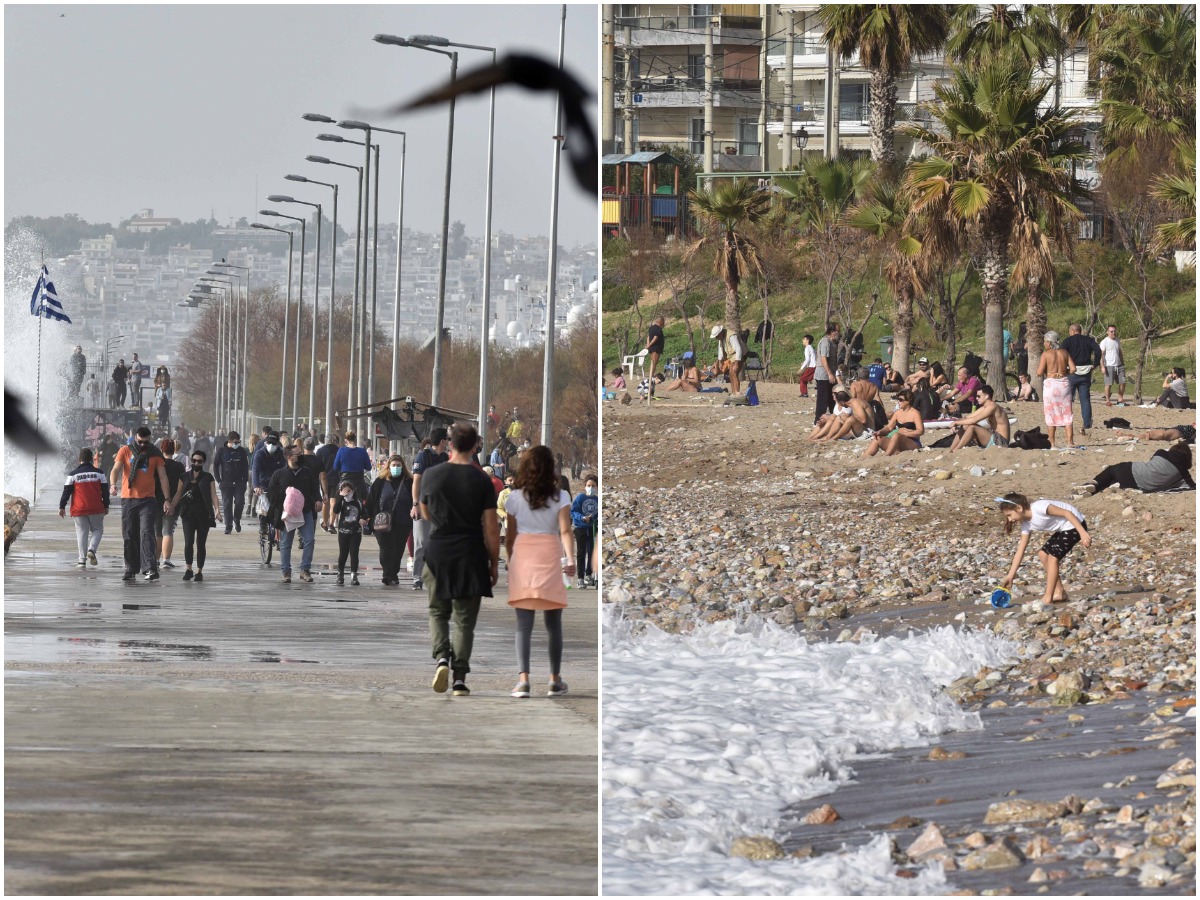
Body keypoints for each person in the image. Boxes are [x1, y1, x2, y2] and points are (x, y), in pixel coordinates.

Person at [420, 423, 500, 697]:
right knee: (465, 621)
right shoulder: (482, 480)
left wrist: (442, 525)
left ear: (450, 444)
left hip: (439, 550)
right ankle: (459, 679)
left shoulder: (432, 475)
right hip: (471, 551)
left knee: (438, 611)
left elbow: (424, 509)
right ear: (475, 446)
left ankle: (442, 656)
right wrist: (493, 562)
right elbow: (491, 528)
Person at [505, 445, 576, 699]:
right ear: (551, 469)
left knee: (523, 625)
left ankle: (523, 680)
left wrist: (510, 561)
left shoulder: (514, 498)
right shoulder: (561, 497)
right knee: (553, 623)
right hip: (550, 554)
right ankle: (554, 679)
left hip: (523, 555)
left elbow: (510, 536)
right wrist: (570, 558)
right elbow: (566, 531)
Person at [997, 492, 1091, 605]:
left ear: (1019, 508)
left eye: (1009, 515)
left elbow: (1067, 513)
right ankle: (1060, 592)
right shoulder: (1026, 524)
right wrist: (1010, 576)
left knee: (1053, 558)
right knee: (1042, 554)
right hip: (1063, 529)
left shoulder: (1039, 507)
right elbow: (1020, 550)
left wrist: (1083, 533)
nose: (1010, 520)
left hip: (1075, 524)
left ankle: (1048, 597)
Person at [109, 426, 173, 582]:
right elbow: (115, 470)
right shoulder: (125, 450)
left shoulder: (155, 454)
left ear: (150, 439)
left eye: (146, 442)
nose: (143, 445)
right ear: (135, 438)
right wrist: (112, 484)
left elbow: (163, 477)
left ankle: (150, 568)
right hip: (128, 499)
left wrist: (167, 499)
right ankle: (130, 568)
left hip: (147, 500)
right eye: (140, 442)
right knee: (129, 534)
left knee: (147, 533)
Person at [267, 445, 322, 584]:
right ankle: (286, 571)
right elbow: (271, 493)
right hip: (288, 514)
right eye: (298, 454)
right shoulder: (279, 474)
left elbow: (315, 488)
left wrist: (318, 500)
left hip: (306, 511)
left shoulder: (307, 472)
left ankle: (305, 569)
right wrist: (285, 499)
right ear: (289, 457)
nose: (301, 456)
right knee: (286, 543)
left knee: (309, 540)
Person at [171, 449, 222, 582]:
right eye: (194, 461)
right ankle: (188, 569)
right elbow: (178, 494)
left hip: (204, 514)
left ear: (203, 462)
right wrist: (171, 506)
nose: (196, 463)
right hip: (187, 514)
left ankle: (199, 571)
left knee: (201, 543)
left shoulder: (208, 477)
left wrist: (217, 510)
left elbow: (213, 495)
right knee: (188, 542)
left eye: (199, 461)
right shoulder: (184, 476)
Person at [410, 427, 450, 591]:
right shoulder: (423, 456)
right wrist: (415, 504)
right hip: (423, 504)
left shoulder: (445, 457)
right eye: (447, 440)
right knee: (421, 542)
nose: (448, 443)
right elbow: (416, 481)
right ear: (442, 441)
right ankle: (418, 577)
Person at [367, 454, 415, 587]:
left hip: (402, 521)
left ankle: (393, 574)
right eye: (394, 465)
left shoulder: (409, 482)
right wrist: (367, 517)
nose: (396, 468)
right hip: (382, 522)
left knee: (398, 549)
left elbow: (414, 499)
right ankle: (387, 574)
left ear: (403, 467)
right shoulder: (380, 482)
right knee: (386, 548)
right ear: (388, 466)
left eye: (398, 465)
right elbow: (371, 500)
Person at [1077, 442, 1195, 496]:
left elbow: (1151, 464)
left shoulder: (1161, 453)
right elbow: (1192, 487)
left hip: (1131, 470)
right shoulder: (1183, 474)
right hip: (1139, 487)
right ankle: (1094, 490)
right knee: (1114, 481)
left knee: (1111, 471)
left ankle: (1094, 483)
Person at [59, 447, 110, 567]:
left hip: (79, 509)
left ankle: (81, 560)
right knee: (97, 530)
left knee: (82, 533)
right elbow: (105, 491)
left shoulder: (73, 475)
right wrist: (106, 505)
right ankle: (91, 550)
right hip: (96, 507)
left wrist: (62, 507)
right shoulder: (100, 473)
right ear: (92, 459)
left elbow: (66, 492)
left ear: (79, 460)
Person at [1037, 331, 1076, 449]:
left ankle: (1052, 443)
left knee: (1050, 412)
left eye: (1045, 341)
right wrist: (1064, 372)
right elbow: (1073, 369)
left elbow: (1039, 372)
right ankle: (1069, 442)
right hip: (1064, 383)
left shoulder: (1046, 354)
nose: (1044, 343)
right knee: (1067, 413)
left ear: (1049, 342)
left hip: (1051, 384)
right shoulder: (1064, 352)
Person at [1062, 323, 1101, 435]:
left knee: (1068, 398)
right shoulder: (1088, 340)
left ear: (1073, 331)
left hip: (1072, 371)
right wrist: (1095, 363)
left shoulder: (1068, 341)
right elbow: (1098, 350)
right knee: (1085, 399)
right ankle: (1087, 423)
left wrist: (1064, 366)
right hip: (1086, 372)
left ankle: (1065, 421)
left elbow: (1061, 353)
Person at [154, 438, 186, 569]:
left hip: (156, 501)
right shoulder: (179, 466)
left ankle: (155, 560)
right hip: (173, 502)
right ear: (174, 451)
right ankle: (166, 560)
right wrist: (173, 503)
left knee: (157, 532)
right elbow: (182, 487)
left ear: (161, 449)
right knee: (168, 531)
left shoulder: (157, 465)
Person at [864, 389, 925, 456]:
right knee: (878, 438)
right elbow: (889, 428)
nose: (898, 402)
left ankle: (886, 456)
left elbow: (920, 431)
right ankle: (864, 458)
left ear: (908, 401)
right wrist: (880, 432)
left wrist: (905, 433)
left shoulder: (915, 413)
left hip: (913, 442)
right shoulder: (898, 412)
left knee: (896, 435)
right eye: (897, 399)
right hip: (898, 443)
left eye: (900, 400)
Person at [949, 386, 1012, 450]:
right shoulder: (985, 407)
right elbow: (967, 418)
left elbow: (973, 420)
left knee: (972, 426)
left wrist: (956, 422)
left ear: (986, 396)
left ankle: (956, 450)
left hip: (1001, 441)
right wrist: (956, 424)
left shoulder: (992, 406)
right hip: (993, 437)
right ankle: (951, 450)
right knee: (965, 425)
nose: (976, 398)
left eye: (979, 396)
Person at [213, 431, 250, 534]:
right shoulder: (221, 451)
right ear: (229, 441)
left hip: (239, 482)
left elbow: (245, 465)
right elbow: (216, 465)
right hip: (226, 482)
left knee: (240, 502)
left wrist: (245, 480)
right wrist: (219, 480)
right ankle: (228, 525)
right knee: (227, 503)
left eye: (239, 441)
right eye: (235, 442)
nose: (237, 444)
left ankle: (237, 519)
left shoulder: (241, 451)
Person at [332, 479, 367, 586]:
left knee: (354, 553)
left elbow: (365, 514)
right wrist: (341, 497)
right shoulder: (341, 502)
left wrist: (363, 519)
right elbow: (336, 510)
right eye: (344, 491)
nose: (347, 493)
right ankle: (340, 574)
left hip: (355, 532)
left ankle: (354, 575)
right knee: (343, 554)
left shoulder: (358, 503)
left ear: (353, 491)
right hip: (343, 532)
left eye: (349, 491)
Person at [252, 431, 286, 534]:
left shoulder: (281, 453)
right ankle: (263, 525)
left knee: (280, 506)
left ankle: (279, 528)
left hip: (277, 484)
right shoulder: (260, 453)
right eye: (269, 443)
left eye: (274, 443)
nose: (271, 445)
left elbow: (285, 470)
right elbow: (255, 470)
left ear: (278, 444)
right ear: (265, 442)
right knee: (264, 504)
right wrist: (256, 486)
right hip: (264, 485)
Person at [570, 473, 599, 589]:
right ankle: (580, 578)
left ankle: (589, 574)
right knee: (581, 553)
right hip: (581, 527)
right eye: (589, 485)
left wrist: (595, 519)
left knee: (592, 552)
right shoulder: (580, 498)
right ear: (585, 486)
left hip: (592, 528)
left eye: (593, 486)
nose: (591, 488)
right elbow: (573, 511)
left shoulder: (597, 499)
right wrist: (582, 517)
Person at [332, 431, 371, 502]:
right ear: (355, 439)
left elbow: (335, 467)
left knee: (342, 504)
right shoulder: (362, 451)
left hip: (345, 483)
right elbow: (369, 467)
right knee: (361, 504)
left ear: (345, 440)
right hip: (359, 484)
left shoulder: (341, 450)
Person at [813, 323, 840, 422]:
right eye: (837, 331)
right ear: (832, 332)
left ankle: (833, 418)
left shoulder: (833, 343)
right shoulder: (825, 342)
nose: (839, 333)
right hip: (824, 375)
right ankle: (818, 420)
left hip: (830, 373)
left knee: (832, 398)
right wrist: (829, 373)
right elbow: (824, 359)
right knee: (823, 399)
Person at [711, 324, 748, 396]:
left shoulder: (731, 335)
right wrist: (720, 361)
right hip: (731, 356)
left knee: (734, 372)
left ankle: (737, 392)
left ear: (720, 333)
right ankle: (733, 392)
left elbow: (738, 349)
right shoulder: (721, 338)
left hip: (739, 354)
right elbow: (720, 350)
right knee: (730, 373)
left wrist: (737, 363)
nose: (716, 338)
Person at [316, 432, 340, 532]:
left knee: (325, 500)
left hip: (324, 478)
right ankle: (331, 523)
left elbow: (317, 466)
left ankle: (325, 523)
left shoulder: (320, 451)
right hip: (336, 477)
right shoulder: (339, 450)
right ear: (334, 441)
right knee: (334, 500)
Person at [1098, 324, 1126, 407]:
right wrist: (1102, 366)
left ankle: (1120, 399)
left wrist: (1122, 361)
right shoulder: (1104, 342)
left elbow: (1119, 351)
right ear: (1107, 332)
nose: (1113, 333)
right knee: (1108, 383)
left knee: (1123, 382)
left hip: (1119, 365)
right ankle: (1108, 400)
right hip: (1109, 365)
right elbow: (1101, 355)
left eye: (1114, 331)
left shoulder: (1117, 340)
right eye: (1111, 331)